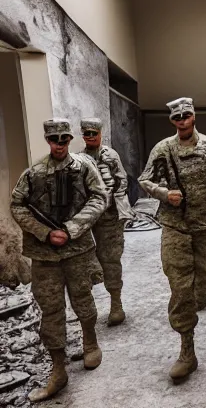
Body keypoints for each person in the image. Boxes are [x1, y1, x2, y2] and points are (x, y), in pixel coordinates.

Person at [138, 97, 206, 382]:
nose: (183, 120)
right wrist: (163, 194)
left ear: (194, 116)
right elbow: (144, 179)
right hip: (175, 226)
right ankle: (187, 350)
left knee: (203, 277)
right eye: (177, 117)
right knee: (179, 285)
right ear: (172, 121)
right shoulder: (163, 149)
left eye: (186, 114)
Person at [10, 118, 108, 402]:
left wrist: (71, 228)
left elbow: (99, 197)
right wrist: (44, 232)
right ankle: (58, 369)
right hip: (45, 256)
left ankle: (90, 344)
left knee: (83, 300)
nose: (60, 144)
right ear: (48, 140)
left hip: (77, 250)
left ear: (69, 139)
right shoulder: (34, 173)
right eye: (55, 140)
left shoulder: (83, 166)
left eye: (65, 139)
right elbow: (17, 205)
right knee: (50, 310)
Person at [80, 117, 135, 326]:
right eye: (87, 134)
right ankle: (87, 309)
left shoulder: (110, 155)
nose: (91, 137)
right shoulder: (78, 159)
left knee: (110, 258)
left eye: (94, 133)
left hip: (109, 216)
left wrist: (119, 205)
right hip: (87, 217)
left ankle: (116, 304)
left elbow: (122, 181)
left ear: (100, 134)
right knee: (83, 262)